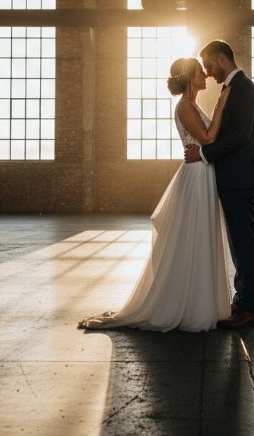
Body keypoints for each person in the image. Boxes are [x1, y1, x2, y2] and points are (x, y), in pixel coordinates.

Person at [79, 58, 233, 332]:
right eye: (200, 72)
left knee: (200, 237)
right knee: (192, 237)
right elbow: (208, 139)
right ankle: (182, 305)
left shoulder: (193, 105)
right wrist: (221, 105)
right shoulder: (185, 106)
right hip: (196, 177)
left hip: (203, 173)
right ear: (189, 77)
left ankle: (197, 301)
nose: (206, 76)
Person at [184, 40, 254, 329]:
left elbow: (240, 136)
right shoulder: (233, 88)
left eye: (209, 66)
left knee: (243, 245)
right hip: (235, 177)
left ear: (222, 59)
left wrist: (204, 153)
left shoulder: (242, 88)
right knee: (238, 243)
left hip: (239, 178)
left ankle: (249, 308)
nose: (208, 72)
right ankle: (243, 301)